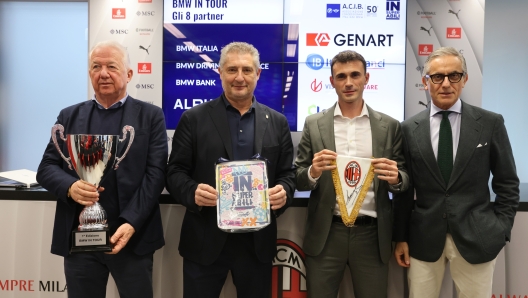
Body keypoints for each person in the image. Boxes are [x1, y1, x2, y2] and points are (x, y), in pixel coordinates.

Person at [37, 41, 168, 298]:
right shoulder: (69, 116)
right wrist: (70, 186)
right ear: (89, 74)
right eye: (96, 67)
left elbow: (156, 174)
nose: (103, 73)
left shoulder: (151, 117)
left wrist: (132, 222)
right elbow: (46, 167)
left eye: (112, 66)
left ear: (129, 74)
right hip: (80, 239)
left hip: (131, 237)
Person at [165, 41, 295, 298]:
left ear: (258, 74)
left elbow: (287, 174)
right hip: (205, 240)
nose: (239, 77)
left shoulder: (278, 122)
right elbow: (174, 171)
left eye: (247, 70)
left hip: (256, 243)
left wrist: (285, 192)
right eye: (232, 69)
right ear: (220, 72)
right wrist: (192, 192)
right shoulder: (193, 118)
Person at [393, 47, 520, 297]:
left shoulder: (490, 123)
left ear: (465, 79)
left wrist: (501, 229)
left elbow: (507, 183)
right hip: (423, 238)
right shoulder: (408, 129)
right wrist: (401, 237)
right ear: (425, 81)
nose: (446, 84)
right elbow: (404, 191)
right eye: (437, 77)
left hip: (478, 237)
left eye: (454, 75)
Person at [295, 50, 409, 298]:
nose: (348, 82)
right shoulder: (314, 124)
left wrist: (397, 178)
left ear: (366, 78)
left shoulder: (388, 126)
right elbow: (298, 176)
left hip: (372, 234)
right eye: (341, 76)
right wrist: (313, 171)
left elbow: (405, 178)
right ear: (331, 80)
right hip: (327, 234)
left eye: (355, 75)